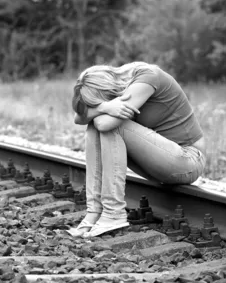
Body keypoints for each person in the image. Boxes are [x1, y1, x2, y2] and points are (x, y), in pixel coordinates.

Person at [68, 62, 206, 238]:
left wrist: (97, 111)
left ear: (108, 90)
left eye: (100, 101)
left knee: (108, 126)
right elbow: (78, 118)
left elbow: (105, 123)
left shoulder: (147, 78)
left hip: (189, 160)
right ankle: (94, 211)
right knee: (92, 128)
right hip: (160, 160)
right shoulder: (121, 82)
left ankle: (113, 214)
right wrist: (104, 107)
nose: (100, 106)